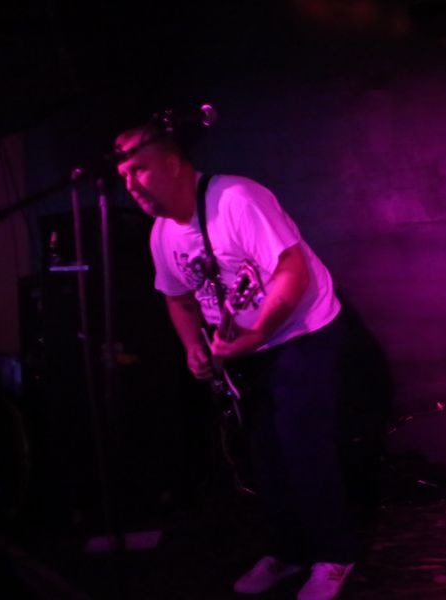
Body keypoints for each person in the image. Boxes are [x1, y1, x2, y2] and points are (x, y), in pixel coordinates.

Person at [114, 121, 357, 599]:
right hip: (250, 347)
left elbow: (292, 270)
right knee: (264, 456)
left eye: (139, 169)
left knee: (303, 448)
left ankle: (335, 555)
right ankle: (288, 550)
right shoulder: (162, 235)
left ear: (173, 164)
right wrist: (193, 347)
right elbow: (178, 298)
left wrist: (258, 332)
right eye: (123, 175)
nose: (130, 184)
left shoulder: (236, 199)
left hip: (302, 332)